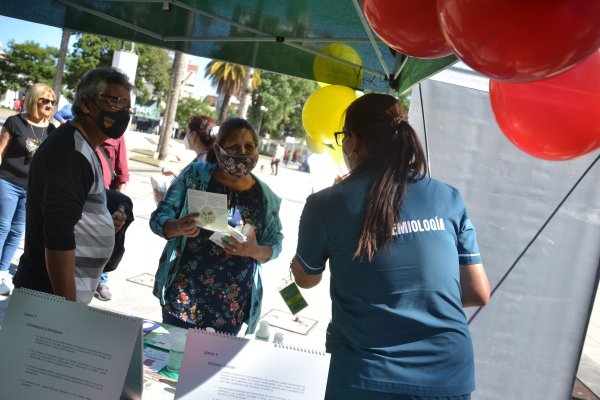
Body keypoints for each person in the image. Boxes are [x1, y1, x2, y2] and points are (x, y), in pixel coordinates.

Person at [290, 93, 490, 400]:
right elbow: (478, 292)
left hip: (364, 377)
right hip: (447, 374)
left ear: (353, 141)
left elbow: (307, 278)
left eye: (343, 137)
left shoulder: (326, 204)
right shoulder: (448, 198)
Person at [150, 118, 284, 335]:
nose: (242, 153)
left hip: (231, 308)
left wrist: (254, 250)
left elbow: (275, 243)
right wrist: (177, 227)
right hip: (184, 298)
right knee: (173, 365)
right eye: (234, 147)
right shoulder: (195, 175)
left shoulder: (264, 195)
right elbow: (158, 218)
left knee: (211, 367)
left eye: (249, 147)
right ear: (219, 150)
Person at [13, 67, 135, 303]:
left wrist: (107, 214)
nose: (123, 113)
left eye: (127, 106)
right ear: (86, 103)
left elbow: (77, 201)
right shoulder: (71, 152)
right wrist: (67, 311)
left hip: (54, 296)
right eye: (116, 102)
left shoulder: (85, 146)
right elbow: (58, 236)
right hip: (47, 298)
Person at [0, 83, 57, 295]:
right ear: (34, 100)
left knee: (17, 230)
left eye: (53, 102)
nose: (50, 105)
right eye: (45, 101)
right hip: (7, 181)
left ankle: (2, 271)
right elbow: (1, 150)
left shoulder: (52, 130)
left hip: (33, 189)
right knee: (2, 226)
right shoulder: (15, 122)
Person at [95, 134, 133, 301]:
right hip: (80, 198)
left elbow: (122, 170)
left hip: (106, 200)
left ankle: (102, 281)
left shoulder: (116, 134)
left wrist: (120, 206)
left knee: (106, 242)